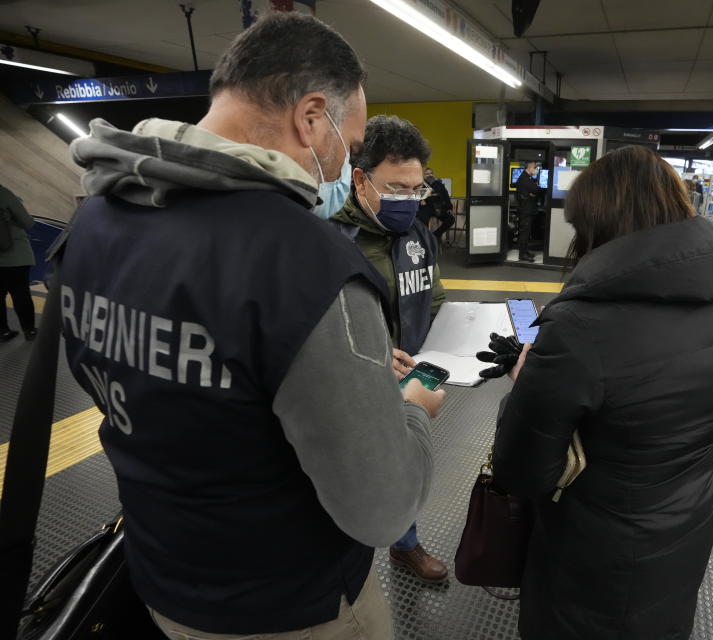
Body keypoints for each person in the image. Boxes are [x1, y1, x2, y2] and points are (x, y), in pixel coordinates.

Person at [63, 13, 444, 640]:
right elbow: (379, 511)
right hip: (291, 602)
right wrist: (408, 409)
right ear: (311, 116)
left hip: (162, 573)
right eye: (349, 145)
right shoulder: (305, 264)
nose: (345, 168)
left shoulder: (97, 219)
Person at [492, 145, 713, 640]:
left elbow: (521, 471)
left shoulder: (579, 326)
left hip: (596, 549)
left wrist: (525, 383)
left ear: (598, 226)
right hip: (686, 520)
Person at [331, 114, 448, 584]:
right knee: (348, 468)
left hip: (409, 375)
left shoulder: (418, 234)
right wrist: (377, 359)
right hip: (349, 381)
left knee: (399, 462)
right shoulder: (335, 239)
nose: (409, 201)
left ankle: (405, 544)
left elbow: (433, 296)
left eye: (416, 190)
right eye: (397, 188)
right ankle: (342, 560)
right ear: (361, 180)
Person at [0, 183, 37, 341]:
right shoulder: (3, 193)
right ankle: (29, 330)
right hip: (14, 255)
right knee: (21, 293)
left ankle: (3, 332)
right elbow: (27, 222)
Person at [418, 167, 455, 244]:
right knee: (422, 219)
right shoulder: (421, 185)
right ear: (424, 176)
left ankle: (435, 235)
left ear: (434, 174)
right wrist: (420, 201)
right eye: (427, 174)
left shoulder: (439, 185)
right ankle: (425, 239)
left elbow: (446, 196)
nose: (429, 175)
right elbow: (416, 196)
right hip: (427, 207)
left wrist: (450, 207)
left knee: (450, 219)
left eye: (431, 173)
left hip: (439, 208)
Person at [514, 161, 540, 262]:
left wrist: (532, 195)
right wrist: (532, 194)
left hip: (527, 209)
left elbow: (533, 192)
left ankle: (525, 251)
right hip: (526, 210)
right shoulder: (524, 178)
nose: (536, 169)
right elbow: (536, 189)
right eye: (535, 167)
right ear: (530, 168)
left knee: (526, 232)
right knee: (524, 233)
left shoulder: (527, 177)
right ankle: (523, 254)